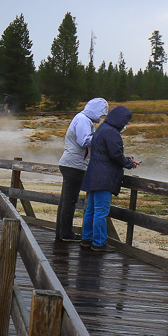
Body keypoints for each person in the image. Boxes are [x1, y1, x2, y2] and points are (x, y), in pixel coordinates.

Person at [80, 106, 139, 252]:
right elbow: (115, 155)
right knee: (101, 211)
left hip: (94, 174)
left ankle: (87, 239)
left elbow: (108, 153)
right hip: (104, 177)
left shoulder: (102, 128)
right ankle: (99, 243)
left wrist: (125, 159)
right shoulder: (112, 133)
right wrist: (129, 163)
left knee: (91, 210)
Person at [56, 98, 109, 242]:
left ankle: (61, 232)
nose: (100, 118)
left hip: (71, 163)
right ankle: (66, 234)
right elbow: (84, 141)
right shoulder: (84, 120)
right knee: (69, 201)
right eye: (101, 114)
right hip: (75, 165)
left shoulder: (81, 118)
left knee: (66, 200)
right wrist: (101, 136)